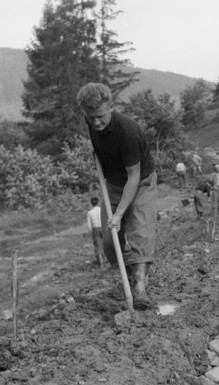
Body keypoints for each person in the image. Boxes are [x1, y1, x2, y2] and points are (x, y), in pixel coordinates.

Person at [77, 82, 157, 310]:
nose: (96, 122)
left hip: (140, 182)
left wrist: (120, 213)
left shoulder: (128, 133)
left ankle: (140, 286)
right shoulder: (92, 121)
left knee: (141, 231)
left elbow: (133, 178)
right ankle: (130, 269)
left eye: (100, 116)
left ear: (110, 106)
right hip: (112, 184)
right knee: (110, 241)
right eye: (91, 117)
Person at [87, 196, 105, 267]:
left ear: (91, 203)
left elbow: (89, 224)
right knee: (104, 243)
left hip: (96, 229)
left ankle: (100, 262)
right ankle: (105, 259)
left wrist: (90, 232)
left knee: (97, 245)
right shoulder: (101, 210)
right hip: (103, 227)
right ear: (98, 202)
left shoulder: (90, 212)